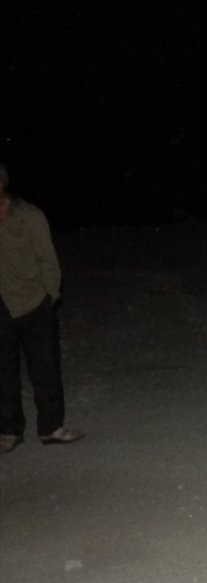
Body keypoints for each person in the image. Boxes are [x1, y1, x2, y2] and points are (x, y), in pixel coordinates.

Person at [0, 163, 84, 453]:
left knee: (45, 368)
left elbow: (49, 261)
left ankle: (51, 427)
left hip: (34, 303)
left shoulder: (29, 216)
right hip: (1, 307)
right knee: (3, 372)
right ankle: (9, 431)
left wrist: (48, 297)